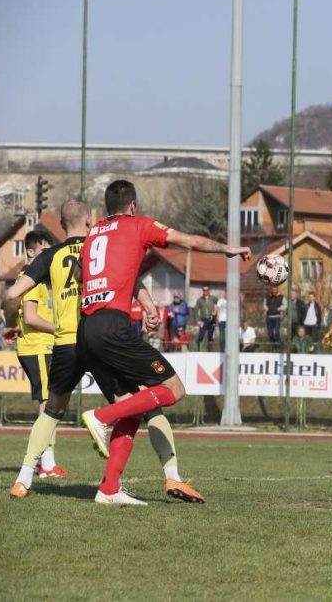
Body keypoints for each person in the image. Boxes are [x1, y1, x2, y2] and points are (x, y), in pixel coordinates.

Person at [4, 198, 208, 504]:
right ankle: (168, 475)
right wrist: (149, 306)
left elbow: (12, 294)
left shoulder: (50, 255)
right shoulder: (102, 246)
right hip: (99, 339)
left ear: (61, 224)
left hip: (65, 343)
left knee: (52, 411)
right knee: (143, 406)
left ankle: (23, 480)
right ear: (89, 220)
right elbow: (129, 280)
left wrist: (12, 322)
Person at [76, 181, 250, 505]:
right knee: (174, 388)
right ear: (132, 205)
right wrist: (226, 249)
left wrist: (146, 304)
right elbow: (188, 241)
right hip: (113, 327)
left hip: (86, 329)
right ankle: (101, 417)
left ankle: (109, 489)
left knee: (132, 407)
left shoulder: (95, 233)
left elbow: (91, 275)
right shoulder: (139, 225)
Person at [15, 229, 69, 478]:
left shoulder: (32, 278)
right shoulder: (30, 277)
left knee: (50, 402)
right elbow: (31, 317)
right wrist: (60, 328)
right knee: (48, 404)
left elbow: (21, 314)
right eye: (43, 252)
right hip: (37, 347)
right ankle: (46, 463)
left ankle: (45, 462)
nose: (48, 257)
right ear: (30, 251)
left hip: (39, 346)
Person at [194, 286, 217, 351]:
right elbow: (196, 311)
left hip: (211, 320)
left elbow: (218, 305)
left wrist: (215, 312)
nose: (205, 291)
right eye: (204, 290)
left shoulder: (213, 298)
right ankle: (198, 349)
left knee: (210, 336)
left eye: (206, 290)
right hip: (203, 320)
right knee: (201, 336)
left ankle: (209, 351)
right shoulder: (200, 300)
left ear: (209, 291)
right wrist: (198, 320)